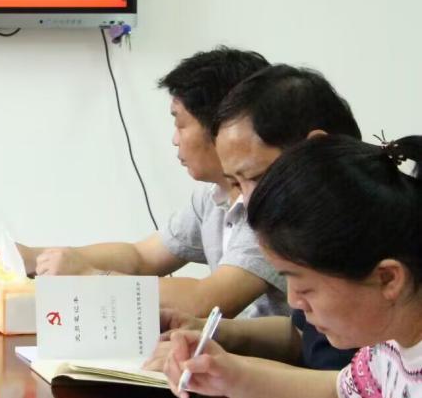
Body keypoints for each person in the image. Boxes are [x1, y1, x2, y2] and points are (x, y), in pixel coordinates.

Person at [161, 135, 422, 398]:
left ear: (387, 278)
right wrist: (229, 375)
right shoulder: (388, 348)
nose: (294, 302)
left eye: (306, 287)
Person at [17, 47, 284, 319]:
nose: (174, 139)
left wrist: (90, 277)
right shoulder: (212, 198)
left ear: (224, 125)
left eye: (181, 124)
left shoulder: (272, 205)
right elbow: (141, 257)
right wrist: (34, 258)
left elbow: (205, 301)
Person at [152, 65, 361, 371]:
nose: (249, 203)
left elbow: (349, 391)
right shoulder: (312, 231)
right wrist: (210, 333)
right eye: (236, 183)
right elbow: (302, 335)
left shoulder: (367, 235)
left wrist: (231, 372)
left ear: (316, 148)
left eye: (255, 178)